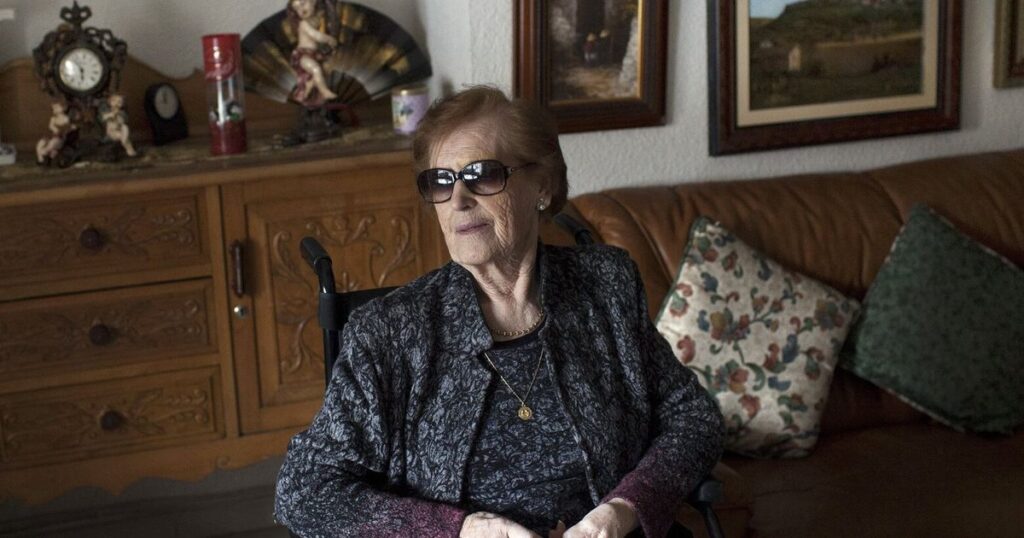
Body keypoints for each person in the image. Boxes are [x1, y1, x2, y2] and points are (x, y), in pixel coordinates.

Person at [275, 86, 723, 537]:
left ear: (542, 185)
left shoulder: (605, 285)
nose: (458, 199)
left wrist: (624, 509)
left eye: (482, 175)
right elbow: (304, 491)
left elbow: (693, 417)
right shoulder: (390, 333)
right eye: (441, 182)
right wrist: (460, 530)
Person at [287, 0, 338, 106]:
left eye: (303, 3)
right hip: (302, 55)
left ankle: (304, 93)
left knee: (317, 74)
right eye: (296, 8)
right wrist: (329, 39)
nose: (301, 9)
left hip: (313, 54)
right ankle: (324, 92)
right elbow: (317, 36)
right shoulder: (303, 24)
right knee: (316, 69)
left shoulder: (315, 19)